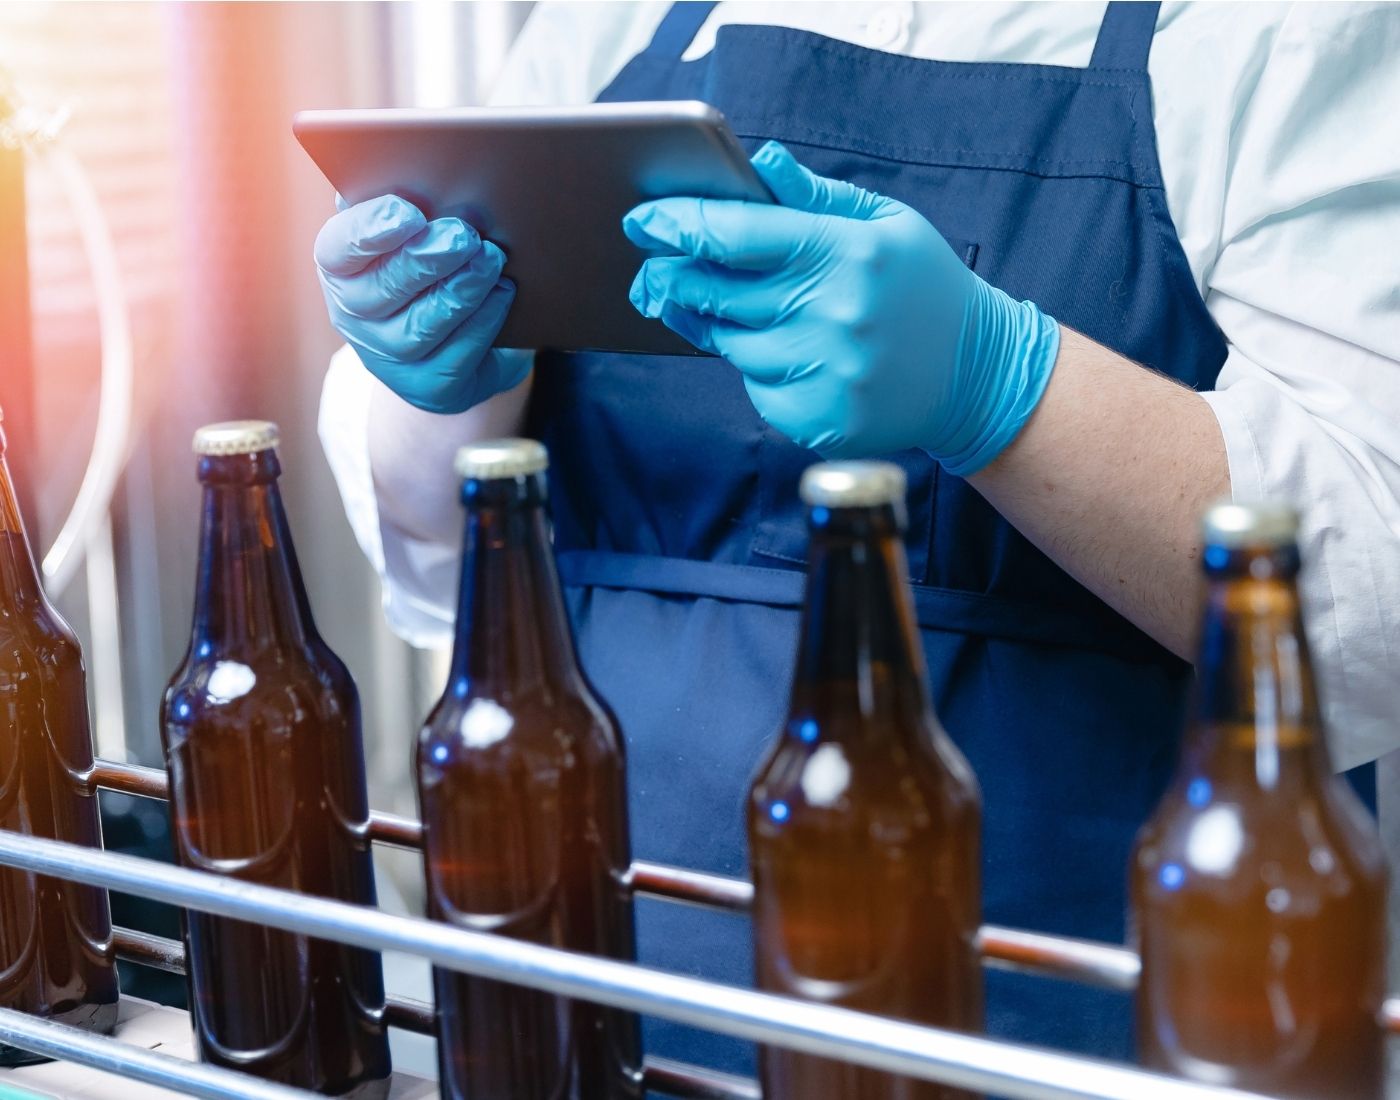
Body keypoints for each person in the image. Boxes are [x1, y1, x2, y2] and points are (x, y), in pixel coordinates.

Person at [316, 0, 1400, 1075]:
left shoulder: (1276, 28)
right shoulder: (612, 23)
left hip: (1070, 1026)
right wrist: (453, 369)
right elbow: (438, 548)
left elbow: (1374, 574)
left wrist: (999, 384)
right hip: (585, 1013)